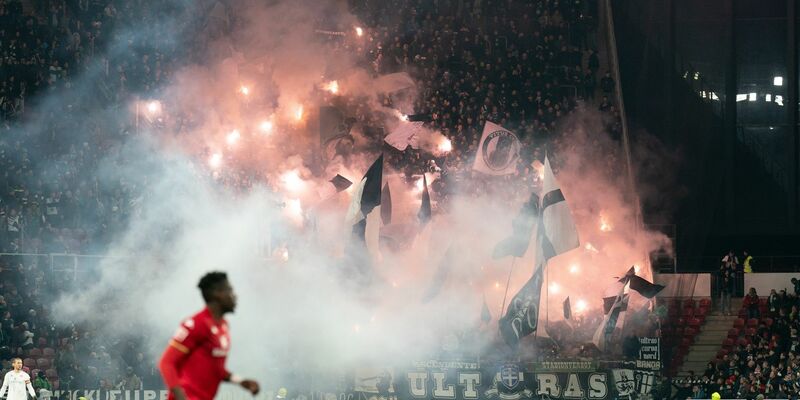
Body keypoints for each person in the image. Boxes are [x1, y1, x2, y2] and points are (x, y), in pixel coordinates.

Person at [158, 272, 259, 400]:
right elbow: (166, 363)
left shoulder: (223, 326)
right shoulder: (196, 324)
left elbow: (216, 369)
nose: (234, 296)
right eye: (229, 290)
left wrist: (240, 381)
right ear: (217, 293)